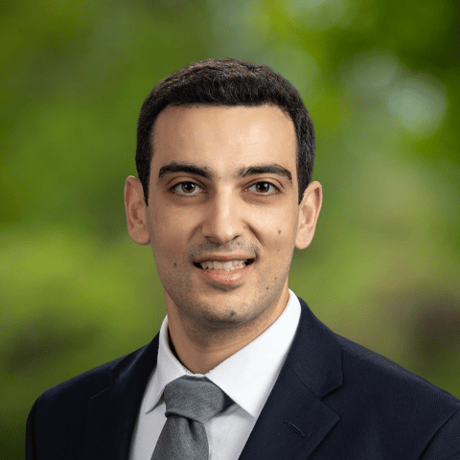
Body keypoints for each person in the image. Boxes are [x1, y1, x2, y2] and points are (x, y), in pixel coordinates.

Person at [26, 58, 460, 460]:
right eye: (188, 187)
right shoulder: (58, 422)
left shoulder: (424, 435)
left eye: (261, 187)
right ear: (138, 211)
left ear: (306, 216)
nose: (222, 227)